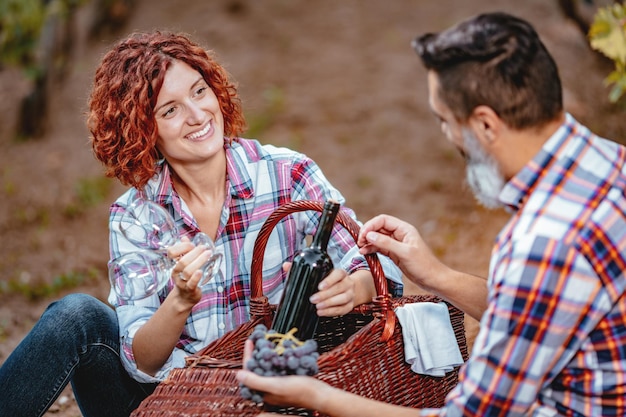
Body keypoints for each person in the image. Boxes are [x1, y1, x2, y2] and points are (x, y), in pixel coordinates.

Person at [237, 12, 626, 416]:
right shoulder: (611, 162)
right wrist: (435, 275)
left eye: (445, 121)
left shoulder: (542, 243)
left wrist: (313, 395)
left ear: (486, 125)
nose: (446, 135)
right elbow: (537, 313)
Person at [0, 31, 402, 417]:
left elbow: (372, 264)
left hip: (277, 398)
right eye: (170, 109)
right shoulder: (136, 216)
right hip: (170, 401)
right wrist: (179, 301)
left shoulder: (288, 176)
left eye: (199, 91)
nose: (197, 115)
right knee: (76, 316)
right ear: (144, 131)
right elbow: (141, 361)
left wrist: (352, 288)